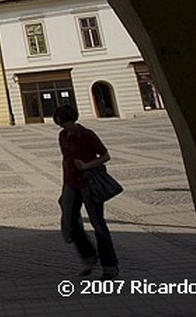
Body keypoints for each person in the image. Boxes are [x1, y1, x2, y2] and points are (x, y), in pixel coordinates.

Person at [53, 103, 119, 279]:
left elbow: (105, 156)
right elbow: (66, 162)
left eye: (60, 121)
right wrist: (65, 186)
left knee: (98, 224)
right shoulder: (62, 136)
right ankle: (89, 256)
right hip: (71, 184)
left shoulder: (87, 135)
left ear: (67, 119)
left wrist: (86, 165)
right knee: (71, 222)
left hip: (89, 185)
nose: (58, 124)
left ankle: (110, 267)